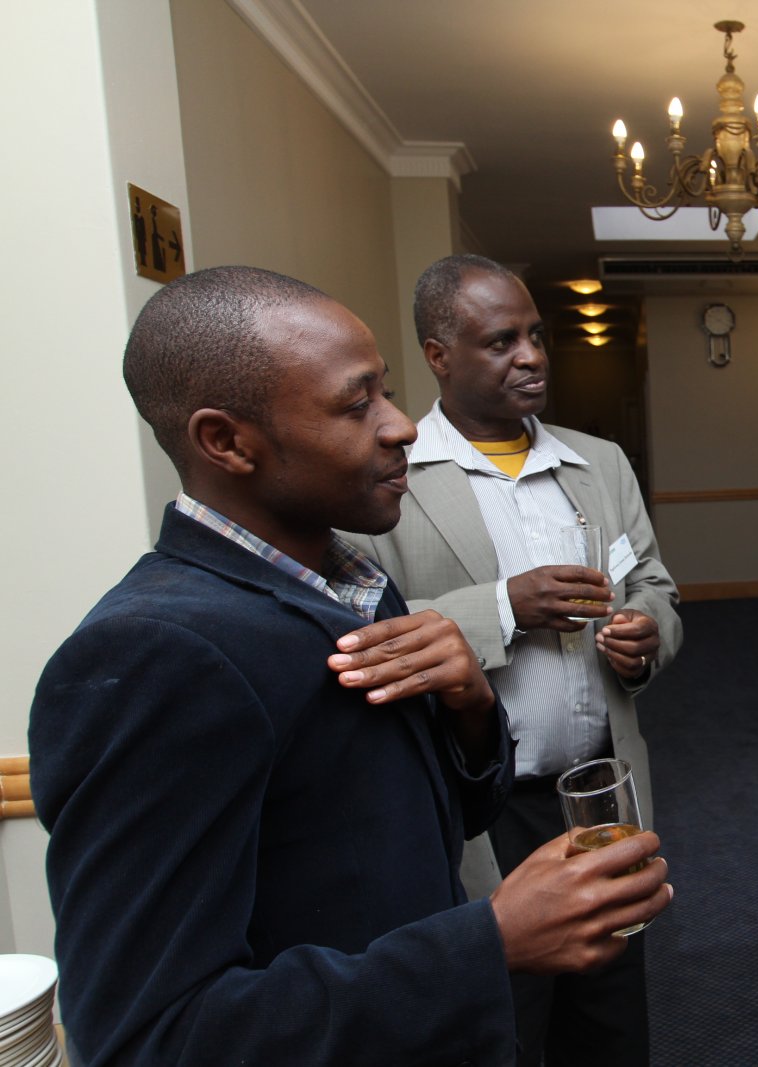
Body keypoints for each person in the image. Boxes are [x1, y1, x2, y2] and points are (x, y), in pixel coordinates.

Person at [29, 266, 672, 1067]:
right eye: (356, 402)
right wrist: (489, 941)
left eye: (389, 393)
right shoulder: (151, 654)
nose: (401, 426)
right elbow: (150, 1036)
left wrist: (472, 711)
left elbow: (401, 824)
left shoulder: (352, 584)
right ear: (226, 440)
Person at [343, 254, 682, 1067]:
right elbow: (355, 633)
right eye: (500, 341)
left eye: (535, 336)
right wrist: (503, 606)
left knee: (611, 1018)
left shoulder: (598, 463)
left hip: (599, 787)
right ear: (438, 355)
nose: (529, 355)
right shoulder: (387, 477)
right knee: (504, 1019)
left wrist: (644, 634)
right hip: (482, 807)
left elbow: (656, 584)